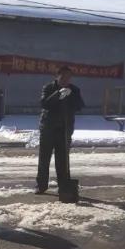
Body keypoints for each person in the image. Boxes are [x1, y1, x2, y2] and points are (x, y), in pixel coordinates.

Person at [36, 66, 84, 199]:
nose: (65, 80)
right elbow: (44, 103)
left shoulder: (74, 89)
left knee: (63, 160)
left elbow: (80, 106)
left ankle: (64, 187)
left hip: (65, 129)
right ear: (57, 76)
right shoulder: (48, 88)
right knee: (44, 158)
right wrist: (58, 94)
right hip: (48, 129)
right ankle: (41, 185)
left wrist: (71, 95)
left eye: (68, 77)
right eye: (63, 77)